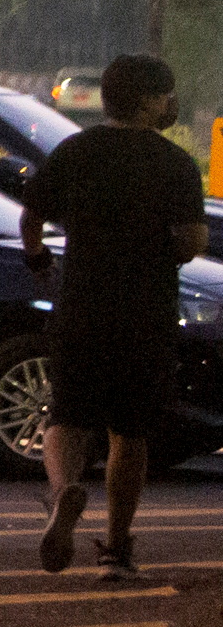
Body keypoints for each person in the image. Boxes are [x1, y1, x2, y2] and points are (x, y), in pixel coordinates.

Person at [23, 51, 208, 576]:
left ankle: (64, 492)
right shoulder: (173, 164)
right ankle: (116, 548)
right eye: (167, 93)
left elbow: (31, 215)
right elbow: (192, 240)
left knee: (66, 416)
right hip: (143, 313)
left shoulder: (76, 152)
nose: (172, 102)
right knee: (129, 433)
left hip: (81, 304)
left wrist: (37, 256)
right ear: (151, 101)